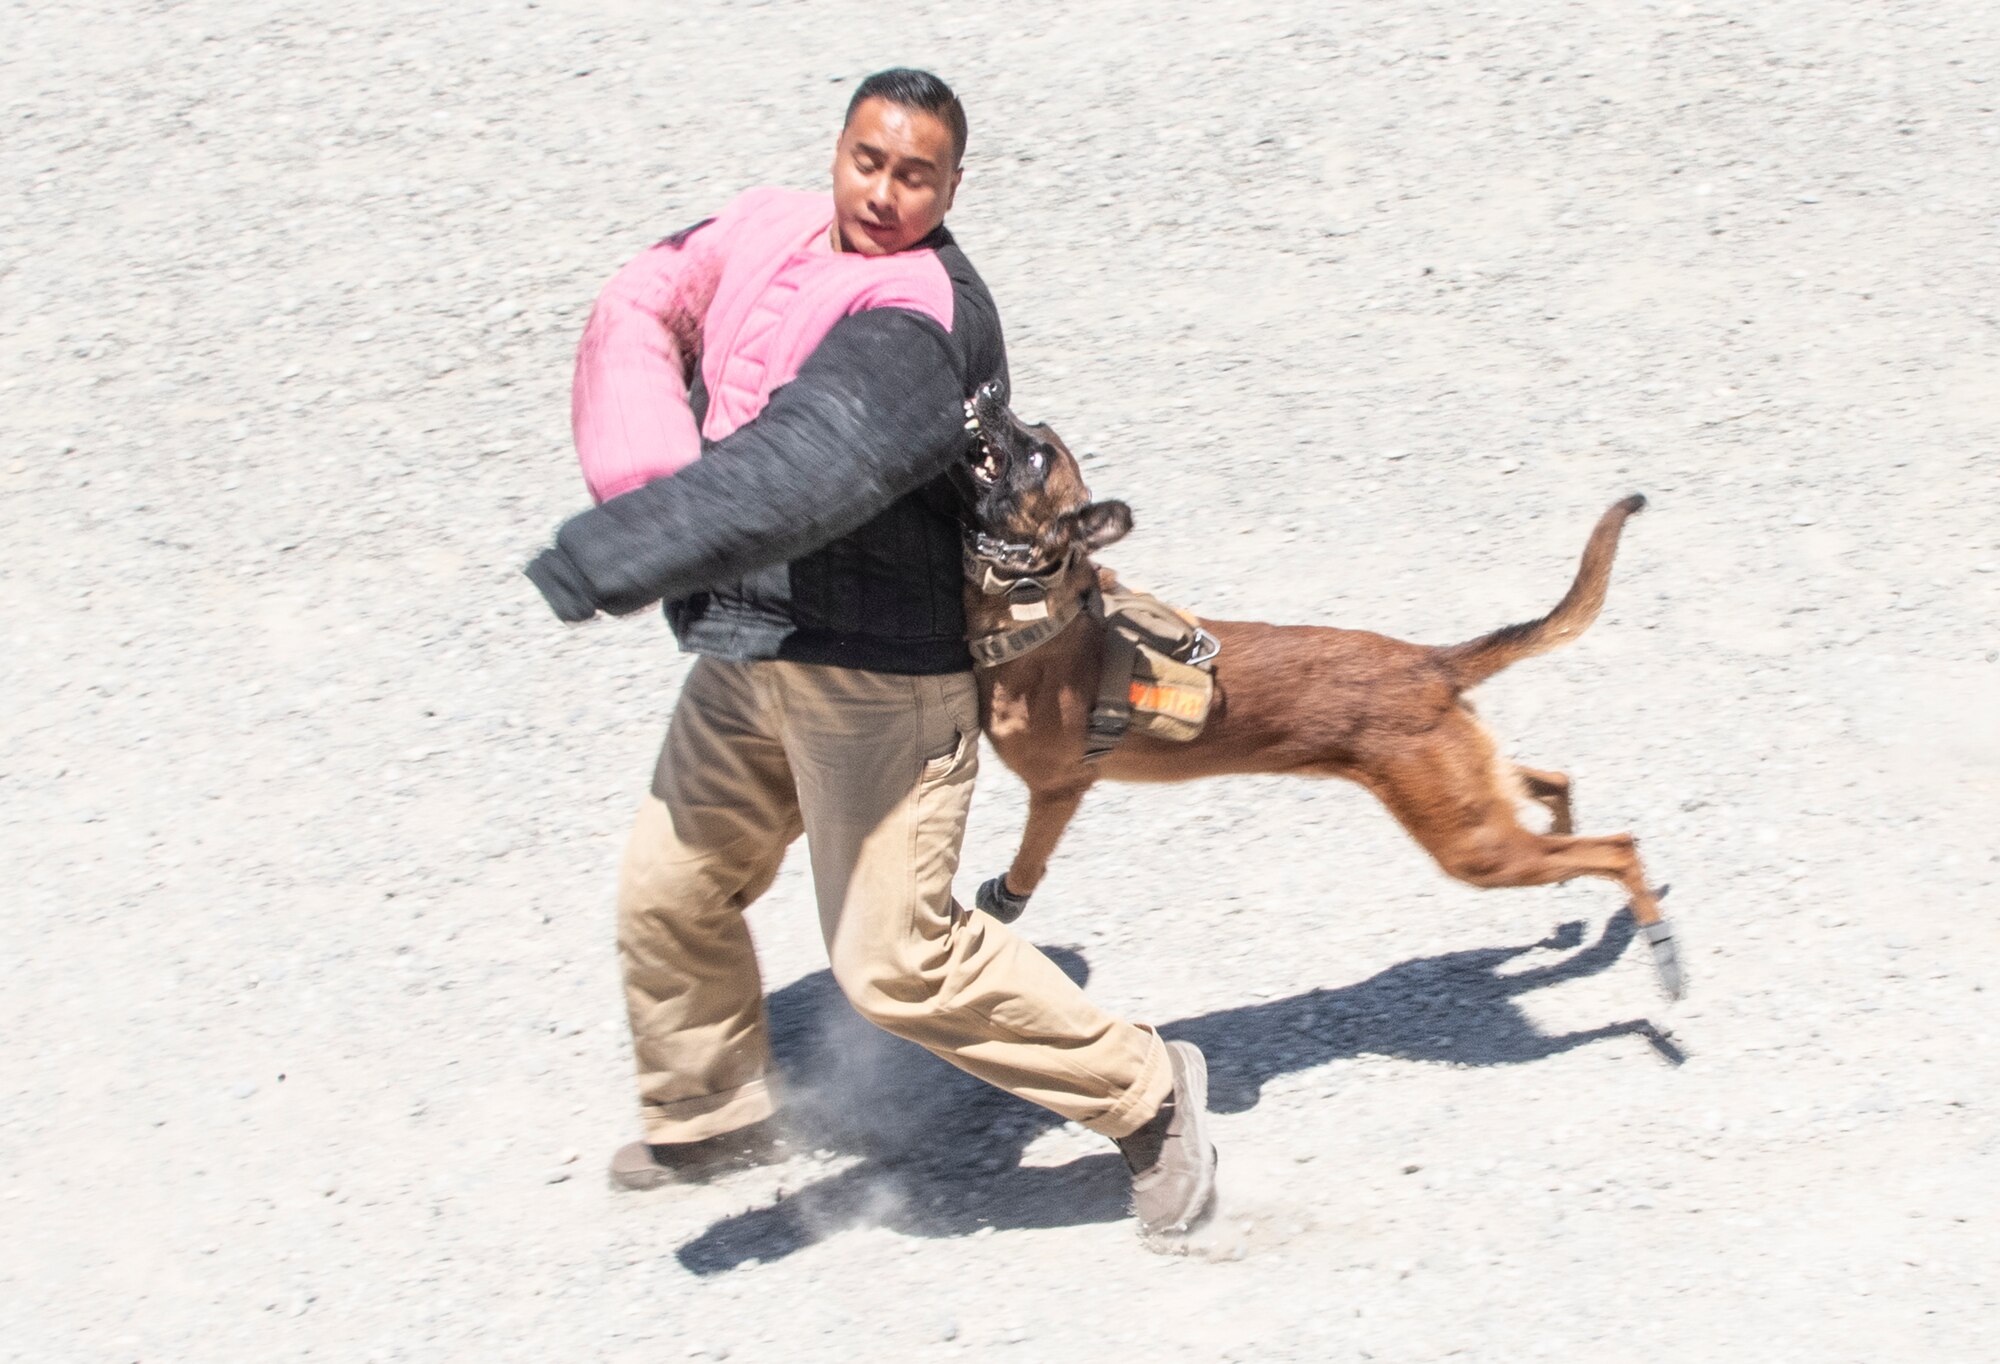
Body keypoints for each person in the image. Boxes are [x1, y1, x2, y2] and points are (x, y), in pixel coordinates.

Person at [523, 69, 1217, 1236]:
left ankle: (1147, 1093)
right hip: (753, 649)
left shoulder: (919, 319)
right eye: (866, 160)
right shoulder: (772, 226)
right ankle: (711, 1109)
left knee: (893, 961)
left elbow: (809, 463)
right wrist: (641, 463)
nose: (884, 192)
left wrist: (628, 542)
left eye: (914, 174)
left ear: (953, 183)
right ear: (836, 150)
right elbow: (653, 288)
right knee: (667, 888)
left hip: (881, 682)